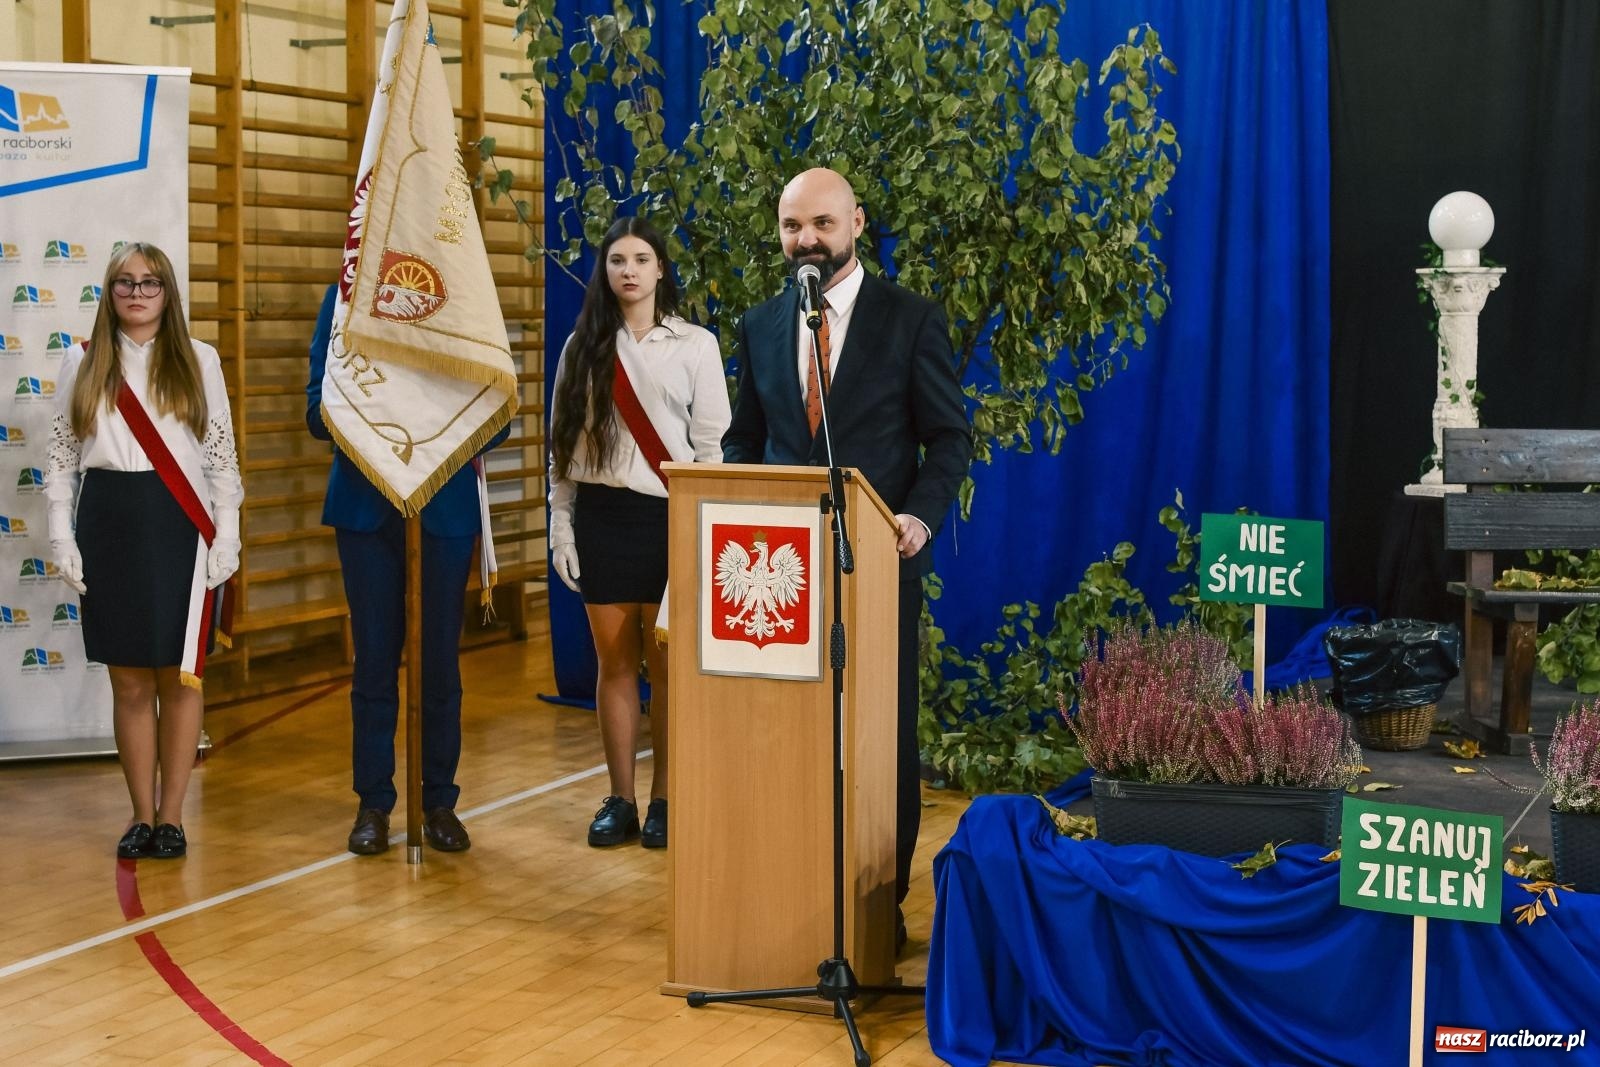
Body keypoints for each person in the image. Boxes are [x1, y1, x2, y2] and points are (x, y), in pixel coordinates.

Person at [722, 168, 972, 935]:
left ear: (857, 223)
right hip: (777, 575)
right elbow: (743, 439)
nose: (807, 239)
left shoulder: (911, 319)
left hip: (878, 564)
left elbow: (949, 438)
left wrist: (918, 517)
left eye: (822, 224)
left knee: (879, 737)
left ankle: (877, 905)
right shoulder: (761, 324)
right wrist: (739, 504)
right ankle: (792, 890)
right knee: (786, 735)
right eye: (792, 225)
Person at [47, 242, 243, 860]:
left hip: (179, 522)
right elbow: (61, 457)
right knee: (129, 681)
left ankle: (172, 818)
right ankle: (140, 816)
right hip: (108, 520)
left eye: (150, 282)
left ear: (168, 292)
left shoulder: (200, 359)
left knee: (180, 679)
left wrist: (228, 531)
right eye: (125, 282)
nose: (137, 293)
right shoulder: (80, 361)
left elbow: (220, 456)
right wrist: (60, 533)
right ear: (109, 292)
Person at [548, 216, 731, 849]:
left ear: (660, 269)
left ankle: (666, 800)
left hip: (669, 519)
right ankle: (620, 798)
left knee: (669, 670)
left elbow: (711, 448)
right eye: (617, 260)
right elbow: (563, 445)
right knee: (616, 665)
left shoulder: (696, 345)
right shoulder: (582, 346)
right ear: (605, 270)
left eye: (641, 259)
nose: (629, 270)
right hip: (601, 517)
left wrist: (704, 532)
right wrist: (561, 524)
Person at [306, 283, 507, 856]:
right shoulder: (343, 298)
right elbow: (317, 410)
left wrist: (431, 420)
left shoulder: (462, 293)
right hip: (365, 507)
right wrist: (380, 417)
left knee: (439, 662)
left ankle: (439, 800)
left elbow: (499, 413)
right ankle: (373, 803)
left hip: (443, 507)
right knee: (373, 662)